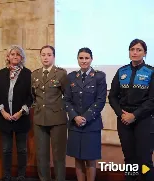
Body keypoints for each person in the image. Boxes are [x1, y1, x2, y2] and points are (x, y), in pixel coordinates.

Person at [108, 39, 154, 181]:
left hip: (144, 120)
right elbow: (112, 97)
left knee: (144, 160)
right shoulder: (122, 71)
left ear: (144, 53)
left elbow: (152, 100)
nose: (135, 52)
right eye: (132, 49)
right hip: (124, 121)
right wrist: (121, 114)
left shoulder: (151, 72)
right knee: (129, 159)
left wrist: (134, 115)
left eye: (139, 50)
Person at [63, 48, 106, 181]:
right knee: (78, 157)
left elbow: (100, 100)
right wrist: (75, 116)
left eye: (86, 58)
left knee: (90, 158)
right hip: (75, 124)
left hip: (91, 124)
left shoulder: (99, 76)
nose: (84, 61)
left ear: (91, 59)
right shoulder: (71, 77)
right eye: (81, 58)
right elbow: (66, 100)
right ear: (77, 59)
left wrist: (85, 118)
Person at [0, 45, 32, 181]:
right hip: (4, 118)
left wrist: (21, 112)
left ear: (21, 58)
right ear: (8, 57)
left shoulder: (28, 74)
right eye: (12, 54)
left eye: (18, 54)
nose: (15, 56)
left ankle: (21, 175)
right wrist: (2, 111)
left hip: (21, 117)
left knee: (22, 149)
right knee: (6, 149)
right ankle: (7, 175)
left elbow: (30, 96)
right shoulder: (0, 73)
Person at [31, 45, 68, 181]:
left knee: (58, 156)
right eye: (43, 55)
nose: (46, 57)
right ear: (40, 56)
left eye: (49, 55)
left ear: (53, 56)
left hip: (58, 119)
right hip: (40, 119)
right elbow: (33, 96)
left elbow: (67, 95)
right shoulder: (34, 74)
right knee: (42, 155)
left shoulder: (61, 74)